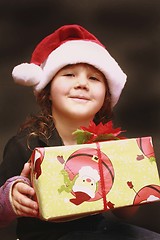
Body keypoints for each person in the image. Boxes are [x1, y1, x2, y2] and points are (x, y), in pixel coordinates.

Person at [0, 24, 160, 240]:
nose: (82, 83)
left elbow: (125, 213)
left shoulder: (108, 144)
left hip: (101, 232)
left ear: (106, 96)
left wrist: (134, 183)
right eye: (69, 74)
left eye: (94, 78)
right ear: (47, 91)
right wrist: (11, 198)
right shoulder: (26, 143)